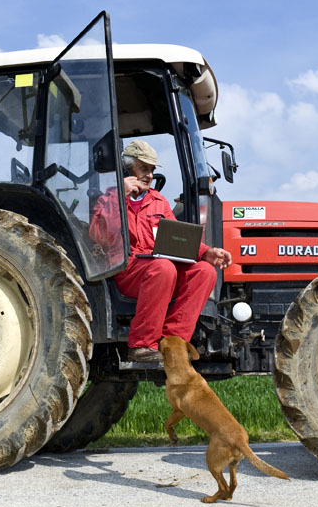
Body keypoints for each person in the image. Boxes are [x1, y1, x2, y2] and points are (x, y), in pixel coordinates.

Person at [90, 139, 232, 364]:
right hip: (127, 269)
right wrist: (120, 197)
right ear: (127, 169)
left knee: (205, 272)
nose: (149, 175)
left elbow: (177, 239)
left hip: (159, 269)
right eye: (143, 168)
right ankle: (142, 344)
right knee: (163, 267)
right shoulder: (109, 199)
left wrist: (206, 253)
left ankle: (172, 341)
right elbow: (99, 235)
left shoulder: (159, 201)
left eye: (152, 170)